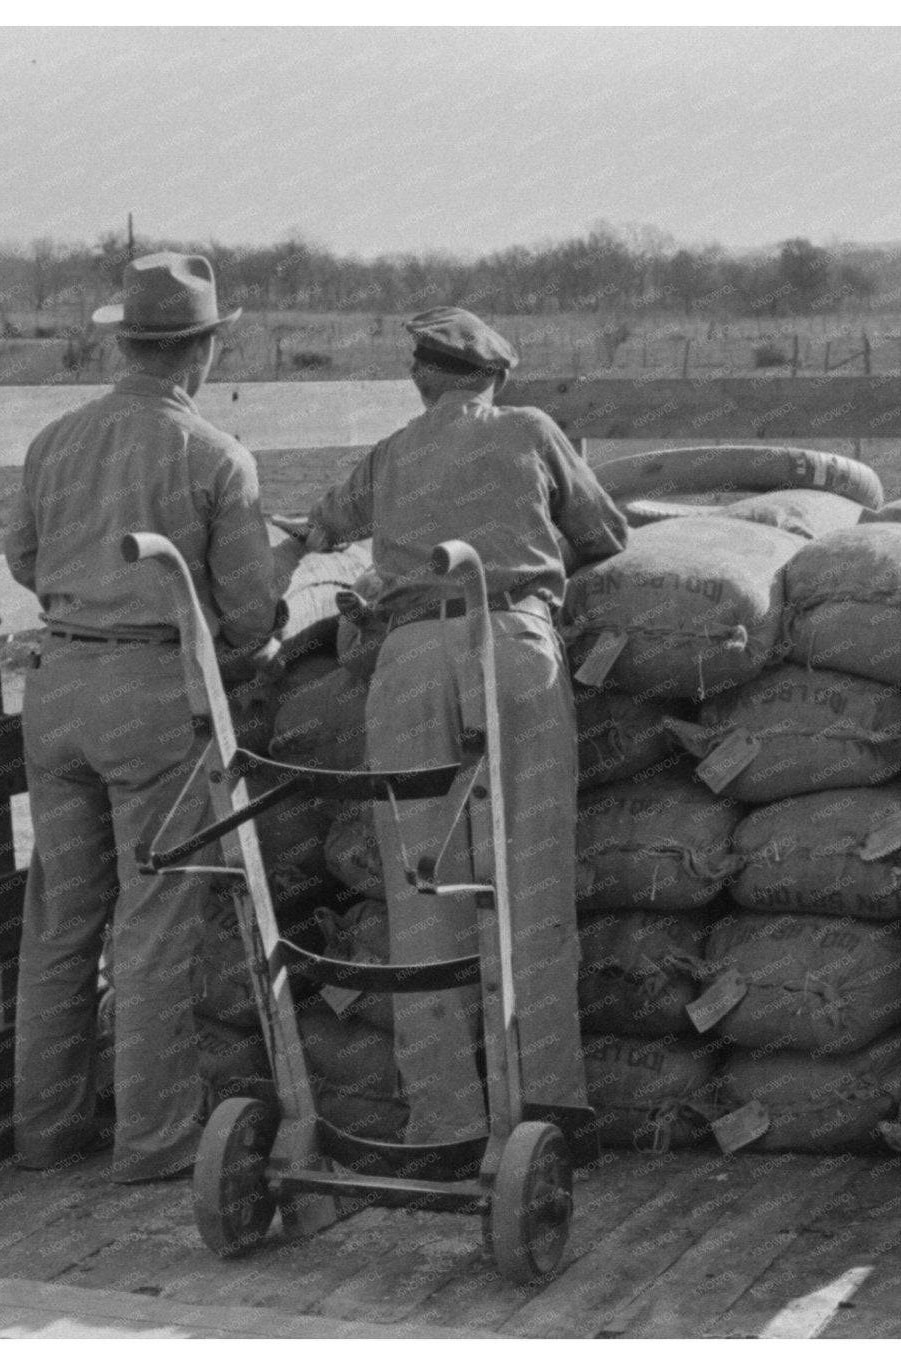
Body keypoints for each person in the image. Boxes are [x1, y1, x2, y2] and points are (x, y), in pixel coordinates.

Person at [295, 307, 629, 1144]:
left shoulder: (392, 453)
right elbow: (604, 534)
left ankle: (442, 1121)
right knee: (532, 878)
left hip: (406, 660)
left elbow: (319, 527)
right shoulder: (532, 429)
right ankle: (544, 1111)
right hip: (511, 647)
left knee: (421, 889)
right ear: (496, 377)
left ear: (421, 377)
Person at [7, 252, 282, 1182]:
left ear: (124, 342)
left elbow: (21, 560)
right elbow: (248, 615)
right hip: (152, 699)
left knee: (59, 920)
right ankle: (154, 1142)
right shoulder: (216, 457)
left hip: (56, 686)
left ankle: (44, 1130)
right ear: (200, 352)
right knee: (156, 922)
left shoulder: (53, 440)